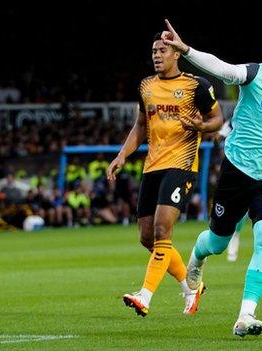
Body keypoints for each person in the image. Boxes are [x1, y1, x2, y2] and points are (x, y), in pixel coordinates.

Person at [161, 19, 262, 337]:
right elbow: (223, 69)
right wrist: (185, 50)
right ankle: (196, 260)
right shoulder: (254, 74)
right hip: (236, 171)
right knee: (217, 242)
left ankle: (245, 315)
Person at [107, 32, 223, 317]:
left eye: (162, 50)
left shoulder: (197, 85)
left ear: (176, 55)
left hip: (181, 165)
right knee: (147, 237)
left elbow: (217, 120)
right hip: (153, 167)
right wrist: (122, 154)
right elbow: (140, 126)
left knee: (162, 230)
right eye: (153, 51)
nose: (157, 55)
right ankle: (190, 287)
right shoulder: (146, 86)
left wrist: (201, 126)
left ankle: (144, 296)